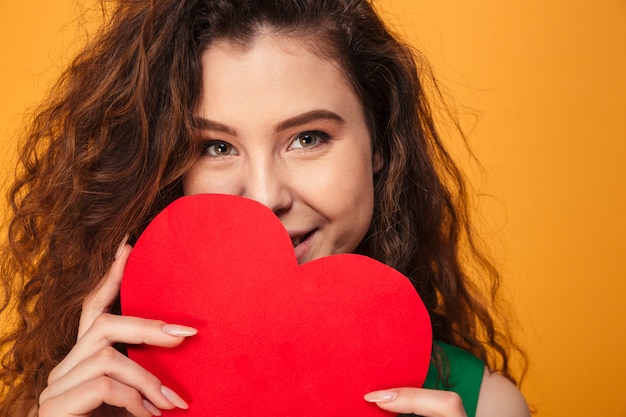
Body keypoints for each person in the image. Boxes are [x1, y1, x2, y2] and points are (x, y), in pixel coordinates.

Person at [0, 0, 530, 416]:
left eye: (308, 138)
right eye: (216, 147)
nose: (263, 197)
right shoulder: (76, 400)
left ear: (382, 147)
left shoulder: (485, 407)